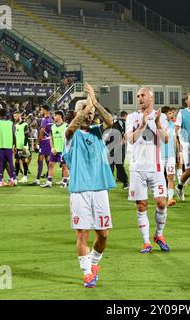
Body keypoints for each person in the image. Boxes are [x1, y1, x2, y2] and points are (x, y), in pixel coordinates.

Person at [63, 83, 115, 288]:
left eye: (91, 112)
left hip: (100, 188)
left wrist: (95, 102)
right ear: (76, 113)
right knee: (82, 233)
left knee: (103, 235)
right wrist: (87, 105)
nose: (89, 115)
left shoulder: (96, 132)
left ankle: (94, 264)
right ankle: (86, 273)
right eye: (84, 112)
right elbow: (71, 128)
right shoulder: (70, 135)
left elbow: (110, 121)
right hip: (80, 191)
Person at [126, 87, 170, 254]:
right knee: (141, 205)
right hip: (137, 168)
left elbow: (165, 139)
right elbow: (131, 139)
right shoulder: (132, 117)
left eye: (143, 95)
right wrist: (143, 125)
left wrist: (157, 123)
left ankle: (159, 235)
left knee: (161, 202)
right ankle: (146, 242)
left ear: (151, 97)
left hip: (156, 168)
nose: (140, 98)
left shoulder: (162, 117)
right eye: (138, 96)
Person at [175, 93, 190, 201]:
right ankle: (179, 186)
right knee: (189, 171)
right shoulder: (182, 113)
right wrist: (178, 142)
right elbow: (176, 129)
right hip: (187, 144)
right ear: (186, 101)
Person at [41, 110, 69, 188]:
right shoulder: (53, 126)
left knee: (64, 166)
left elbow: (69, 139)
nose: (54, 117)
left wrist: (65, 149)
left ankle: (64, 182)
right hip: (54, 150)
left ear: (60, 116)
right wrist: (52, 148)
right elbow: (51, 138)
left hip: (63, 150)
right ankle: (49, 182)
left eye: (55, 115)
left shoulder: (66, 126)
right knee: (50, 164)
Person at [0, 108, 17, 187]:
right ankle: (14, 179)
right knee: (10, 163)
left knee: (0, 163)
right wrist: (14, 145)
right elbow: (14, 135)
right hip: (8, 146)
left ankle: (0, 181)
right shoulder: (10, 123)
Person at [106, 110, 129, 189]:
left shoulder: (118, 123)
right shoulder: (105, 125)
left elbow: (125, 134)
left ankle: (125, 181)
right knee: (110, 164)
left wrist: (121, 143)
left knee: (119, 165)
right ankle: (109, 182)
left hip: (117, 146)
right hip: (109, 147)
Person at [31, 104, 53, 185]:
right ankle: (49, 178)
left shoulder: (44, 119)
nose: (40, 111)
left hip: (44, 141)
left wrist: (37, 141)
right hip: (49, 141)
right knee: (48, 160)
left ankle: (37, 179)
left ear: (45, 110)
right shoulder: (51, 119)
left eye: (41, 110)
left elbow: (42, 131)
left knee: (40, 160)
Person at [161, 106, 177, 206]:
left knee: (170, 176)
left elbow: (174, 140)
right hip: (160, 155)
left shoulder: (172, 125)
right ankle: (161, 196)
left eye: (172, 113)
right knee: (161, 178)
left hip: (171, 155)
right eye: (170, 113)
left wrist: (178, 152)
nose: (172, 115)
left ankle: (170, 198)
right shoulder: (158, 125)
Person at [13, 111, 31, 183]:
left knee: (24, 160)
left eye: (16, 116)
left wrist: (24, 146)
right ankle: (16, 176)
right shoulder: (16, 125)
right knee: (17, 160)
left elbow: (26, 136)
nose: (15, 118)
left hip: (23, 147)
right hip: (17, 147)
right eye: (14, 116)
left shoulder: (25, 124)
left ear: (19, 116)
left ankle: (25, 176)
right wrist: (15, 145)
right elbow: (15, 136)